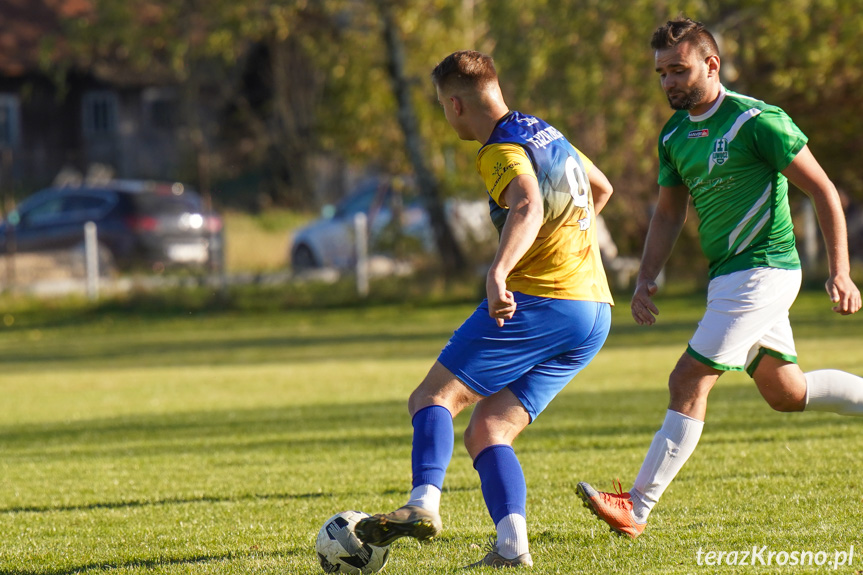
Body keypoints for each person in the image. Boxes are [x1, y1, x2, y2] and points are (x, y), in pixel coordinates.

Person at [576, 17, 863, 539]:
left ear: (712, 65)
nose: (669, 83)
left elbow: (823, 191)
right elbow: (667, 214)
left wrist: (841, 272)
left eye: (678, 70)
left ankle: (636, 507)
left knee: (687, 379)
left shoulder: (758, 121)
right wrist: (644, 278)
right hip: (728, 278)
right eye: (661, 74)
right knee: (786, 392)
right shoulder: (674, 135)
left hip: (765, 272)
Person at [355, 50, 615, 568]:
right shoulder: (544, 131)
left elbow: (526, 203)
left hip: (542, 300)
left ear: (454, 105)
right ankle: (512, 546)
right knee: (488, 430)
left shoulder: (499, 149)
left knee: (432, 397)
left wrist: (500, 271)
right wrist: (563, 244)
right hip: (594, 311)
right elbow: (601, 188)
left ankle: (423, 503)